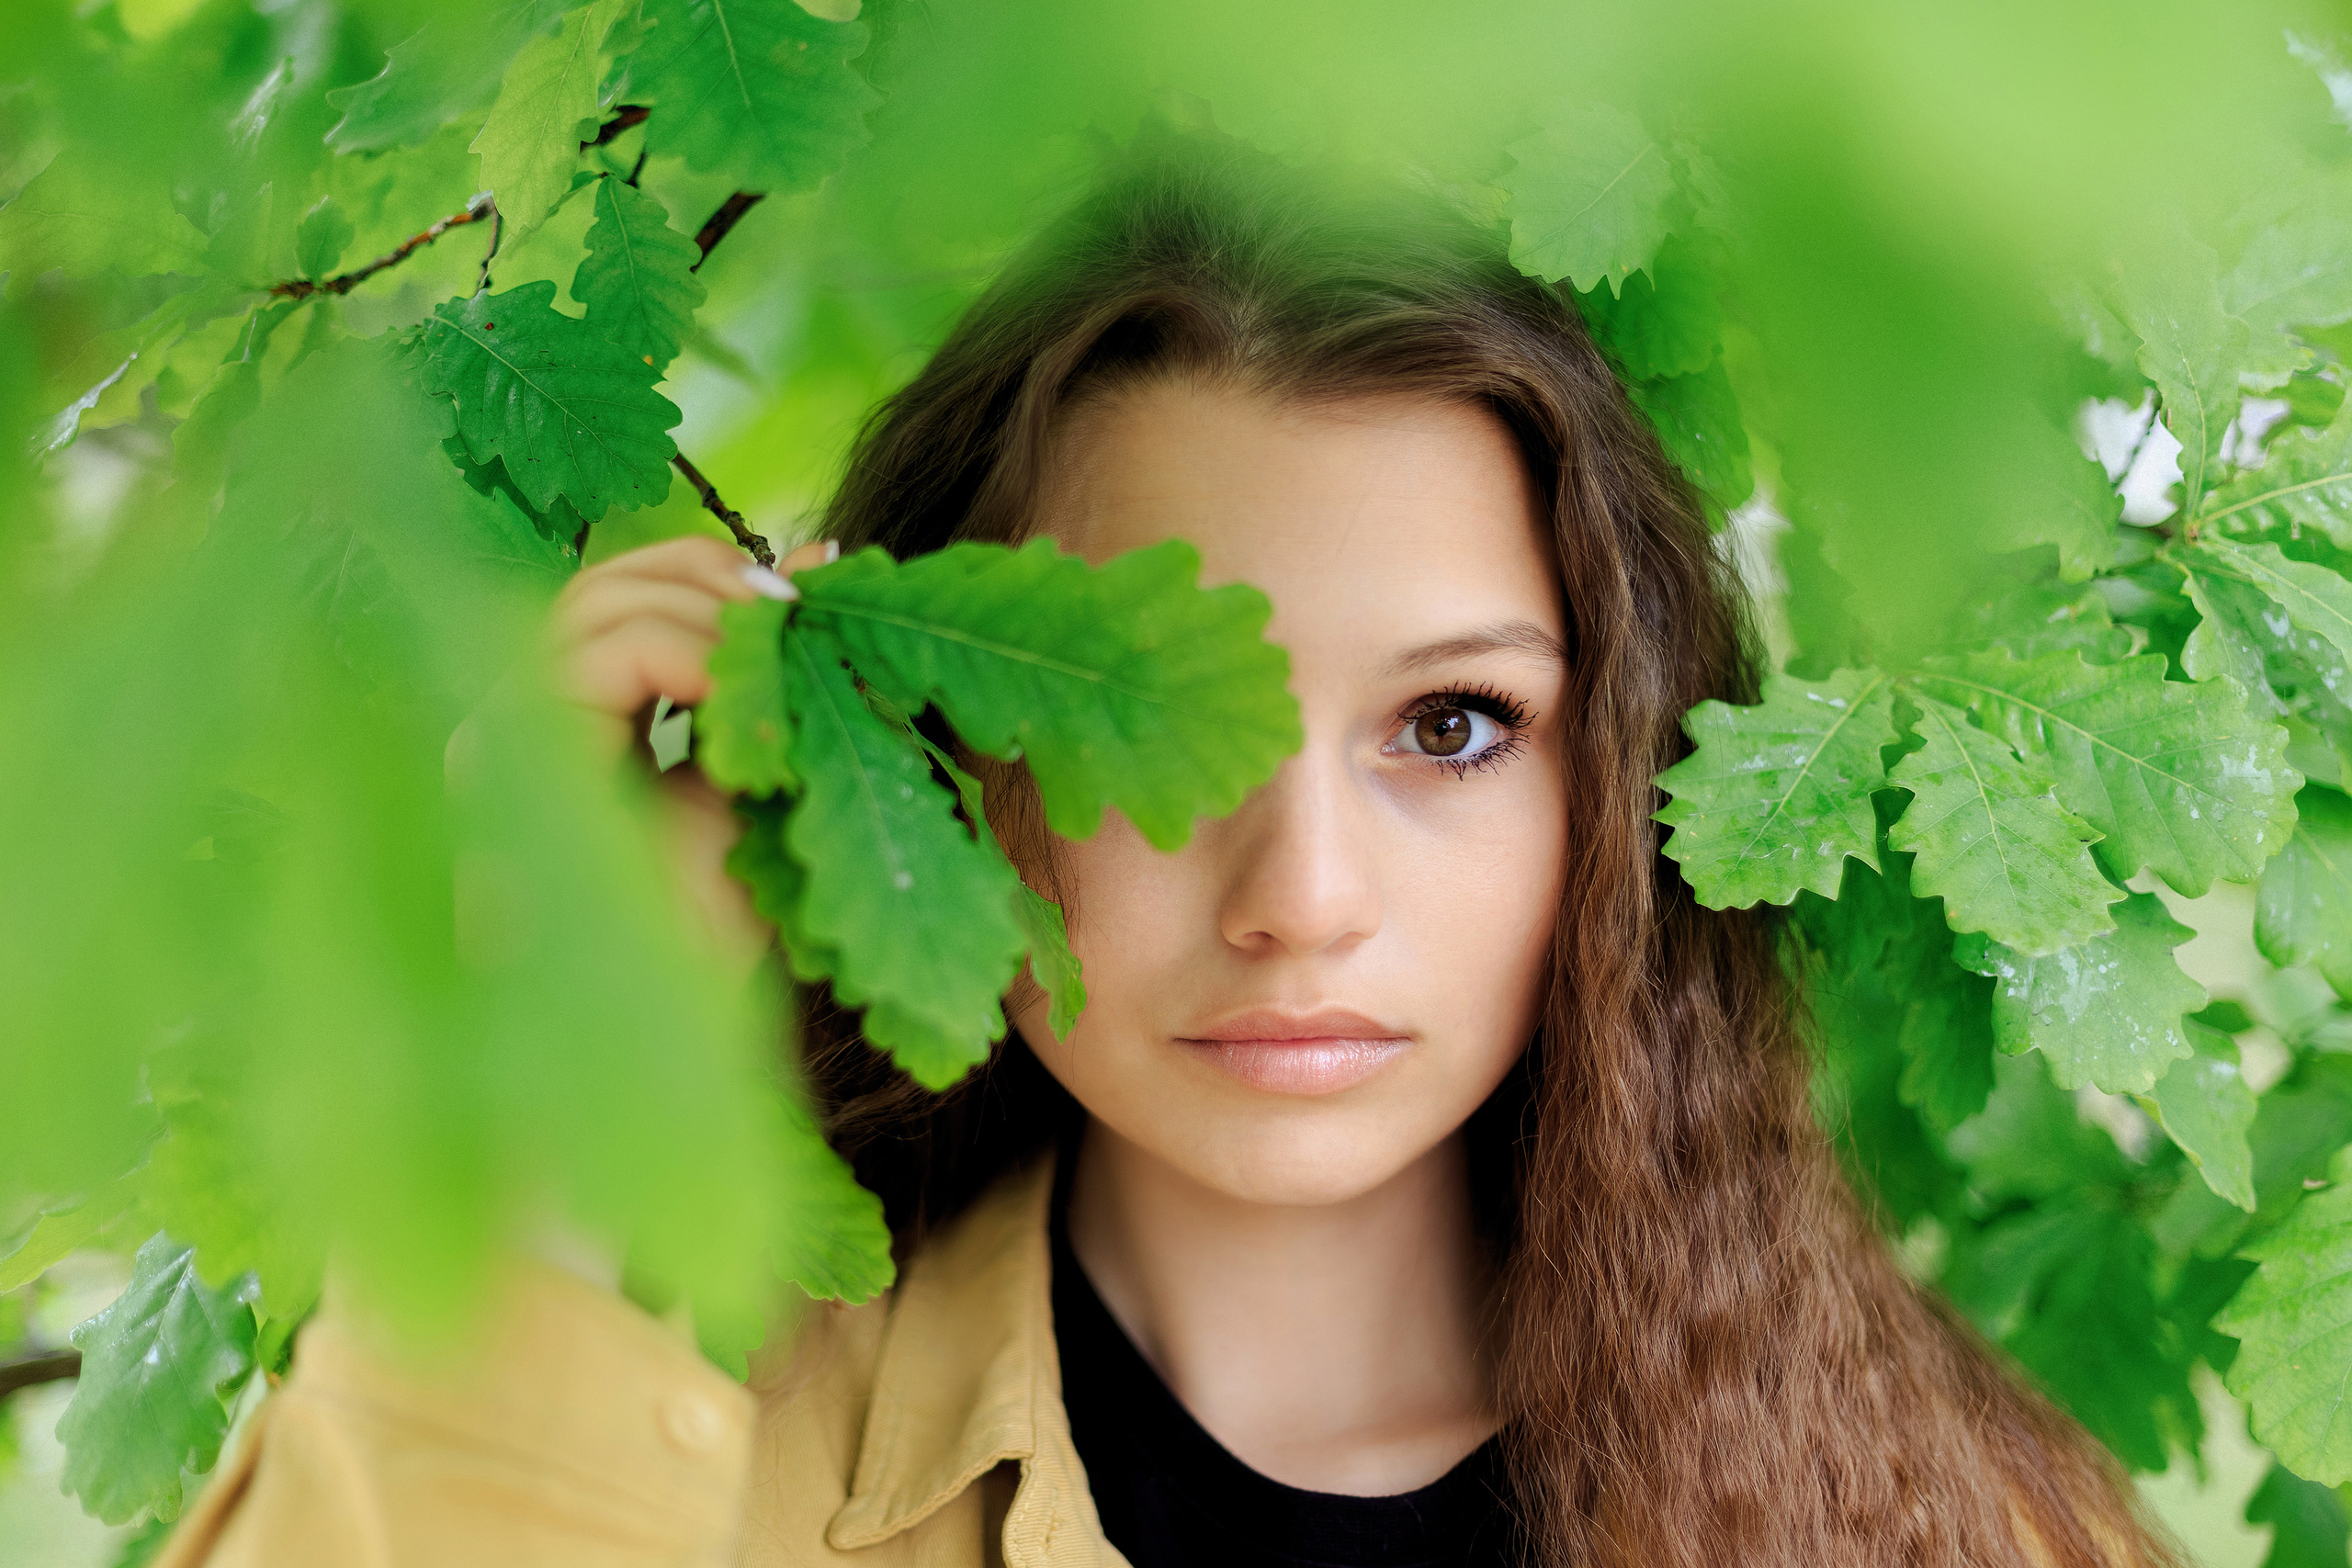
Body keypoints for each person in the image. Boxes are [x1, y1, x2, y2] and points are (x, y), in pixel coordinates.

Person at [155, 136, 2174, 1568]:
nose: (1298, 890)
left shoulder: (1950, 1521)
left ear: (1612, 793)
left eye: (1450, 726)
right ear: (936, 744)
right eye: (1142, 727)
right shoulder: (674, 1473)